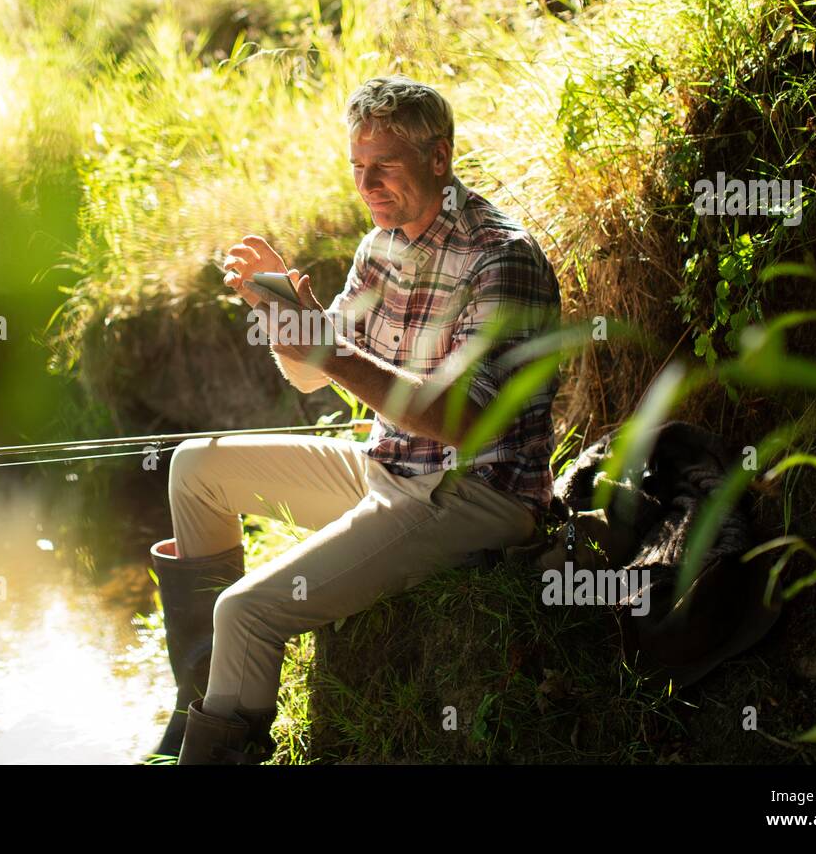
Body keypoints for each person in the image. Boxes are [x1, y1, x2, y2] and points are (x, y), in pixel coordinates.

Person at [145, 75, 563, 764]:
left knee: (245, 613)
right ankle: (198, 709)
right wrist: (283, 311)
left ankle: (218, 742)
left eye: (384, 167)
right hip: (391, 471)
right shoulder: (381, 244)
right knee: (195, 467)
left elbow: (466, 421)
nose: (367, 184)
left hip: (475, 496)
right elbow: (313, 372)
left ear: (439, 157)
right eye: (357, 168)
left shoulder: (499, 258)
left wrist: (329, 346)